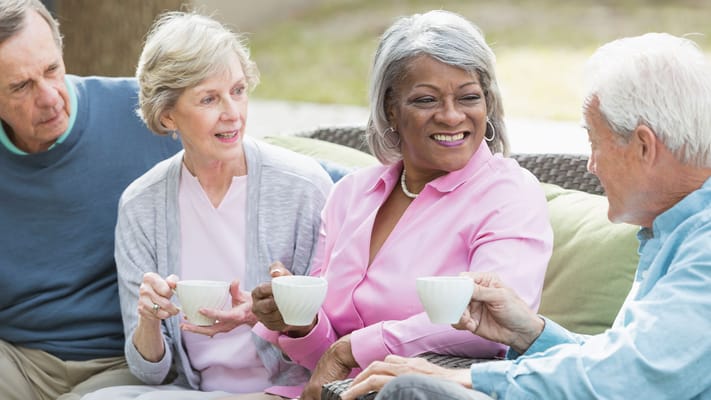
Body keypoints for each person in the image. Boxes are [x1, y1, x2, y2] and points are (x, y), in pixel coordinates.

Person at [341, 32, 711, 400]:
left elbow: (633, 379)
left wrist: (472, 379)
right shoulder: (675, 233)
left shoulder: (704, 248)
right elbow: (620, 361)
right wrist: (529, 333)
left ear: (643, 146)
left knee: (413, 391)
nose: (591, 165)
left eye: (595, 143)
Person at [248, 10, 553, 400]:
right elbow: (322, 357)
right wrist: (297, 321)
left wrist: (349, 351)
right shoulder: (352, 194)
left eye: (469, 97)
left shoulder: (510, 193)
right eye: (426, 99)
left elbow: (489, 320)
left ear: (487, 104)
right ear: (391, 108)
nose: (451, 115)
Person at [81, 11, 333, 400]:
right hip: (191, 392)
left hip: (288, 392)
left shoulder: (303, 187)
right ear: (168, 115)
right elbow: (150, 372)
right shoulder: (141, 205)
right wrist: (148, 320)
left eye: (238, 90)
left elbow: (332, 343)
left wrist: (268, 315)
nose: (232, 112)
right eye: (209, 98)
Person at [0, 0, 183, 399]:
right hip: (17, 359)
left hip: (126, 360)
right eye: (21, 86)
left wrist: (351, 186)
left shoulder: (141, 113)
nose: (49, 97)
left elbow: (243, 160)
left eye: (52, 70)